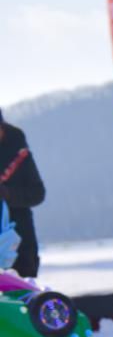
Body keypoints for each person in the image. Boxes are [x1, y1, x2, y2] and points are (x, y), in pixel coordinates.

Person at [0, 109, 46, 278]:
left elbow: (38, 193)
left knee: (25, 292)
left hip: (20, 242)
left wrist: (8, 194)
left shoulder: (18, 151)